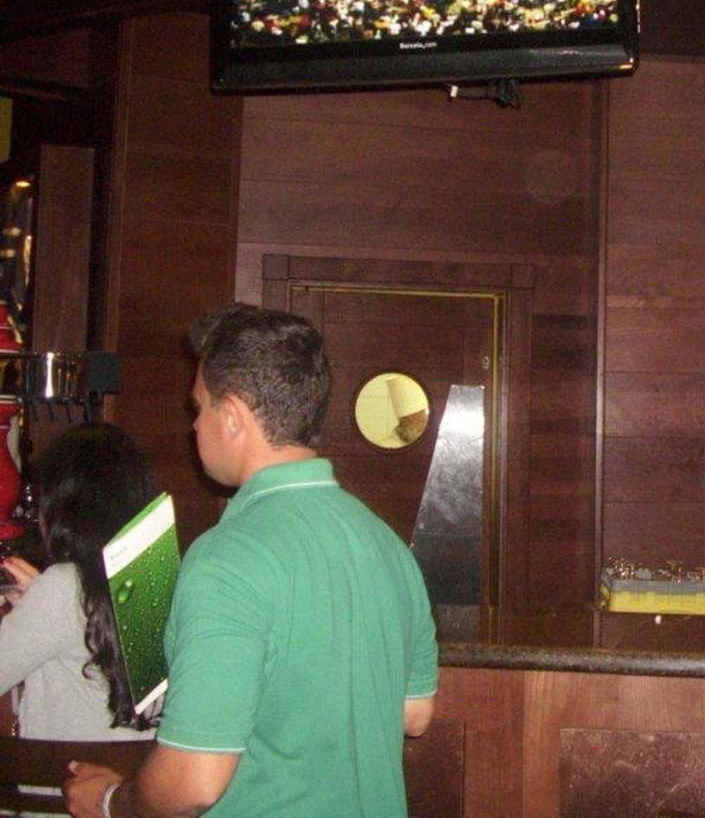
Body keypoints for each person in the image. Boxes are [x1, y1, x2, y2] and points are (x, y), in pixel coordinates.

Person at [65, 304, 439, 818]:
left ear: (233, 416)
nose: (194, 426)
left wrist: (111, 802)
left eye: (199, 408)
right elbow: (414, 713)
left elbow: (195, 781)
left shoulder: (226, 558)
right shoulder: (386, 545)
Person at [0, 423, 159, 744]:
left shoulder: (64, 588)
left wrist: (45, 598)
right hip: (136, 769)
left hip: (66, 773)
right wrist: (40, 599)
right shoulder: (150, 572)